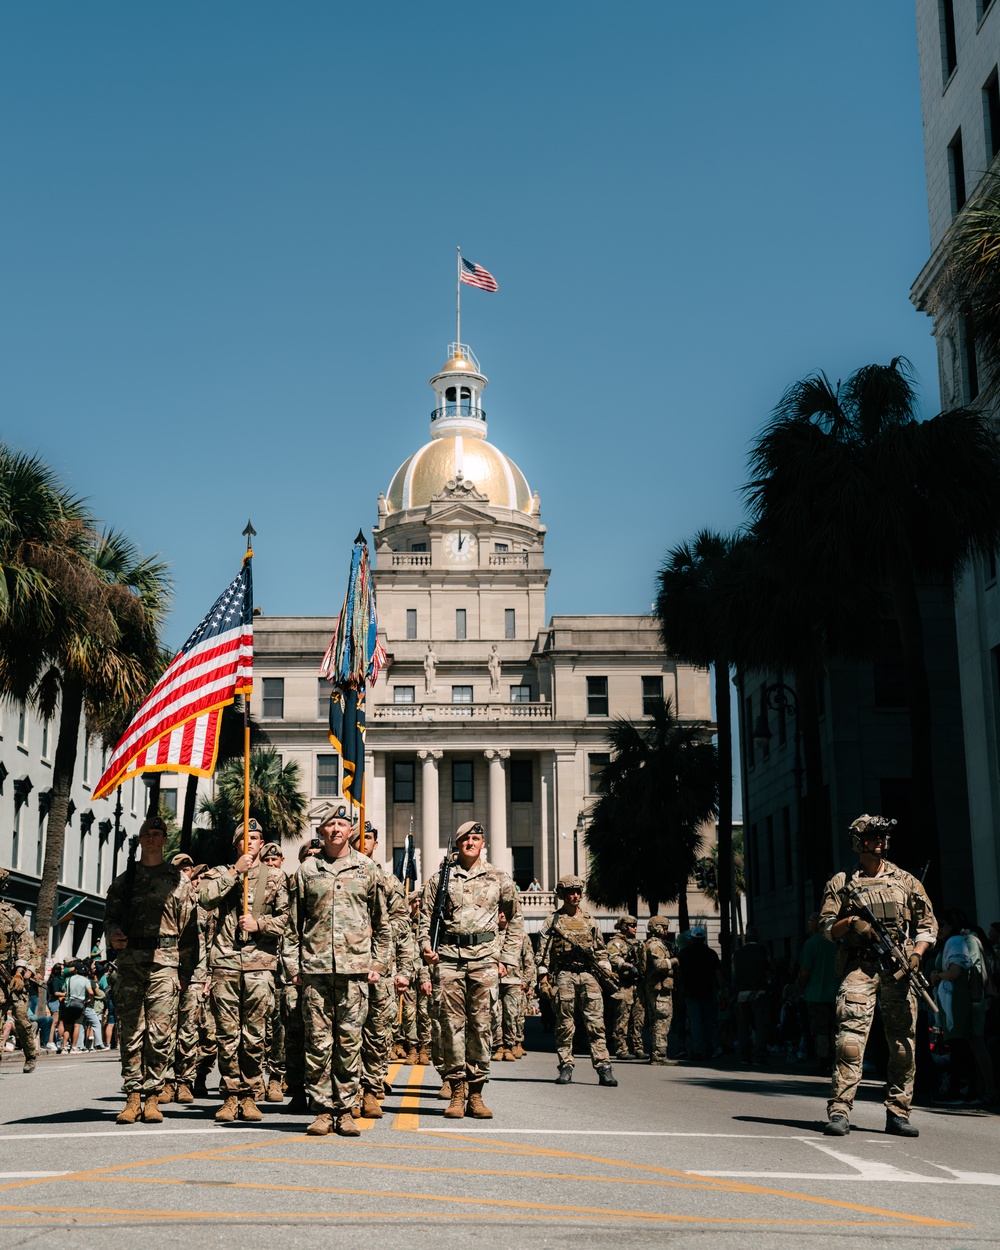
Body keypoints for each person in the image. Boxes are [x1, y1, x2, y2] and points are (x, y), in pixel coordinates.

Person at [819, 813, 937, 1138]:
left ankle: (898, 1112)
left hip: (899, 969)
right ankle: (840, 1111)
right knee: (850, 1042)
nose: (880, 842)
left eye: (882, 837)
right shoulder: (842, 883)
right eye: (872, 837)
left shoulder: (906, 880)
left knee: (903, 1045)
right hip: (859, 966)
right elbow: (826, 928)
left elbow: (927, 925)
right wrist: (851, 924)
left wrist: (916, 955)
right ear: (858, 842)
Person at [283, 800, 391, 1138]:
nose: (335, 830)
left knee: (348, 1043)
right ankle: (322, 1111)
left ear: (350, 832)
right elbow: (291, 926)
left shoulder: (367, 869)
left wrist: (377, 964)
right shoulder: (307, 871)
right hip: (315, 971)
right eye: (329, 825)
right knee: (317, 1044)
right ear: (321, 831)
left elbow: (383, 924)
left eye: (342, 826)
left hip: (355, 972)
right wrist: (293, 967)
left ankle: (345, 1110)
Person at [420, 821, 524, 1118]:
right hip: (449, 959)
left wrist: (508, 958)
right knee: (450, 1028)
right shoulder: (440, 878)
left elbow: (515, 919)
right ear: (458, 844)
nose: (470, 843)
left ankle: (476, 1093)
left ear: (483, 843)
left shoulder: (498, 878)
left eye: (476, 838)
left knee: (481, 1027)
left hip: (485, 960)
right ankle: (456, 1091)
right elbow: (425, 919)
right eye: (466, 838)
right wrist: (425, 947)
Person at [104, 815, 198, 1124]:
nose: (153, 838)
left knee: (160, 1034)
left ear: (164, 839)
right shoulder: (125, 879)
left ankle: (153, 1096)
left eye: (158, 833)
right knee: (131, 1032)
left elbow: (189, 931)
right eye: (148, 833)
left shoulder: (178, 881)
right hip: (130, 962)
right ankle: (132, 1096)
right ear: (141, 838)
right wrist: (113, 934)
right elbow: (111, 918)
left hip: (165, 963)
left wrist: (185, 974)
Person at [199, 818, 290, 1122]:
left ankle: (250, 1094)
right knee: (227, 1035)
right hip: (225, 962)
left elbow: (287, 922)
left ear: (262, 844)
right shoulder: (221, 874)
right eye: (244, 838)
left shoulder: (276, 877)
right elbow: (205, 897)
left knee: (254, 1036)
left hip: (259, 965)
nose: (250, 842)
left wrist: (259, 924)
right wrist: (236, 871)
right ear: (236, 844)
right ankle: (229, 1095)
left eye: (255, 838)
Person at [351, 822, 413, 1119]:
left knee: (377, 1033)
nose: (364, 842)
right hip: (345, 965)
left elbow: (403, 924)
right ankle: (348, 1090)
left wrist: (404, 969)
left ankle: (371, 1087)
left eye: (370, 838)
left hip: (380, 966)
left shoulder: (387, 880)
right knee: (347, 1033)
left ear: (376, 844)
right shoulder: (343, 875)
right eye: (358, 837)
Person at [536, 874, 617, 1087]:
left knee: (596, 1023)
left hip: (588, 974)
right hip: (564, 975)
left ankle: (604, 1067)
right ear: (562, 894)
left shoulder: (590, 920)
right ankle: (566, 1066)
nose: (575, 895)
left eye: (578, 891)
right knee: (564, 1024)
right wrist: (543, 980)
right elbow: (542, 954)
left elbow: (600, 950)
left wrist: (606, 971)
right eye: (571, 891)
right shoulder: (552, 921)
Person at [0, 867, 38, 1073]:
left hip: (12, 976)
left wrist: (19, 973)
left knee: (22, 1020)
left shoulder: (11, 915)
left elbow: (24, 946)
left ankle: (31, 1055)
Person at [493, 910, 536, 1060]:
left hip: (514, 982)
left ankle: (510, 1045)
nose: (502, 914)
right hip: (494, 982)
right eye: (499, 911)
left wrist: (526, 981)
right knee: (496, 1016)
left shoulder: (520, 936)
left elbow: (529, 962)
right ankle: (498, 1046)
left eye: (505, 911)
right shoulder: (490, 934)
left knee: (511, 1016)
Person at [799, 911, 838, 1074]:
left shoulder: (811, 944)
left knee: (820, 1030)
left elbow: (805, 971)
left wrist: (800, 985)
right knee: (836, 1029)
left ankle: (823, 1061)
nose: (809, 923)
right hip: (836, 993)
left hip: (816, 994)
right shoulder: (837, 943)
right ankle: (837, 1060)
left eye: (811, 920)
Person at [677, 927, 724, 1060]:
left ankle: (697, 1050)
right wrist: (722, 990)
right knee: (709, 1021)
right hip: (708, 991)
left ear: (691, 939)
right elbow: (718, 973)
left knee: (695, 1021)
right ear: (703, 938)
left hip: (690, 992)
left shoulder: (684, 953)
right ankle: (709, 1048)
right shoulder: (711, 953)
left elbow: (678, 972)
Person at [606, 915, 646, 1060]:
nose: (634, 928)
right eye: (631, 925)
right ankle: (621, 1048)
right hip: (623, 986)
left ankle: (638, 1048)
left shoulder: (638, 943)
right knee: (622, 1019)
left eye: (635, 925)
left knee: (638, 1019)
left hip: (637, 986)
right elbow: (614, 958)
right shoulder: (615, 943)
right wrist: (627, 965)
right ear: (623, 926)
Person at [640, 916, 678, 1065]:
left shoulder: (654, 943)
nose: (667, 930)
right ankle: (659, 1055)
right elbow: (660, 965)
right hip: (659, 989)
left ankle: (656, 1053)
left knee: (657, 1021)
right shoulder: (656, 945)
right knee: (662, 1021)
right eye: (664, 927)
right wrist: (674, 961)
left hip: (655, 988)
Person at [732, 926, 770, 1067]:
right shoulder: (762, 950)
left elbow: (734, 974)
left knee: (743, 1027)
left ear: (746, 939)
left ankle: (744, 1056)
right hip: (759, 991)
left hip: (742, 993)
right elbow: (768, 968)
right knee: (761, 1025)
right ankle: (759, 1055)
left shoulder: (737, 953)